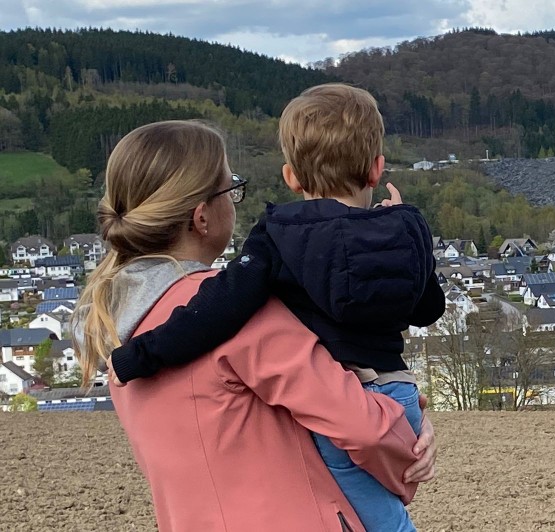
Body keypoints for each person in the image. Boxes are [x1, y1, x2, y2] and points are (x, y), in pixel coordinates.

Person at [106, 84, 445, 531]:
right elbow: (363, 428)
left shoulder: (119, 328)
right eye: (232, 188)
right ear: (201, 216)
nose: (236, 199)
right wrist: (409, 437)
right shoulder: (239, 315)